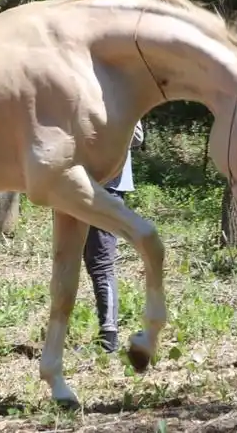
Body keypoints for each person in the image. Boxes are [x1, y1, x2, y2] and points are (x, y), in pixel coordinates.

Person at [84, 120, 144, 353]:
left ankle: (109, 337)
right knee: (88, 259)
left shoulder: (121, 90)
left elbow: (137, 135)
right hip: (79, 186)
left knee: (101, 261)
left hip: (109, 188)